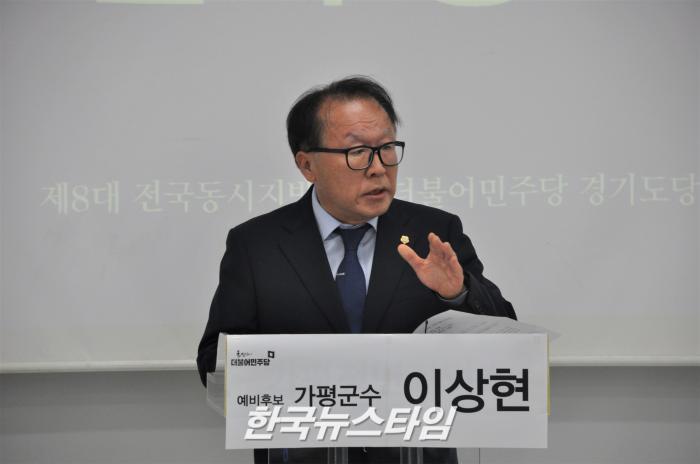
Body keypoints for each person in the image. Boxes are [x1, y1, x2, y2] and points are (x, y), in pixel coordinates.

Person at [197, 76, 516, 464]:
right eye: (358, 152)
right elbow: (214, 362)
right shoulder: (256, 244)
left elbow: (508, 345)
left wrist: (457, 293)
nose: (378, 168)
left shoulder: (433, 233)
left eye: (387, 149)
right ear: (307, 164)